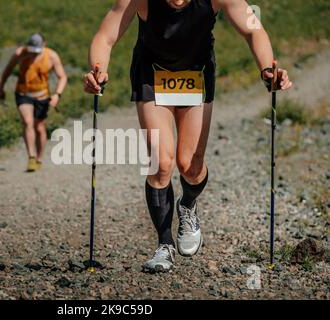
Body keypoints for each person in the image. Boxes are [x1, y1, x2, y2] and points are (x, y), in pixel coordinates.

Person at [84, 0, 292, 272]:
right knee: (162, 161)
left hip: (197, 73)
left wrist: (267, 69)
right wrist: (97, 69)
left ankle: (188, 205)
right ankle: (164, 245)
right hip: (152, 73)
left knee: (190, 166)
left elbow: (253, 29)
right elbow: (106, 35)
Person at [0, 33, 68, 172]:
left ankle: (39, 159)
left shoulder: (52, 56)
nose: (33, 54)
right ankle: (31, 156)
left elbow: (62, 77)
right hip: (23, 93)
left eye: (37, 51)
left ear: (44, 45)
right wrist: (1, 87)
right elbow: (8, 70)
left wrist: (57, 95)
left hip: (42, 95)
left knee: (39, 127)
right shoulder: (20, 53)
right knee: (27, 121)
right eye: (32, 50)